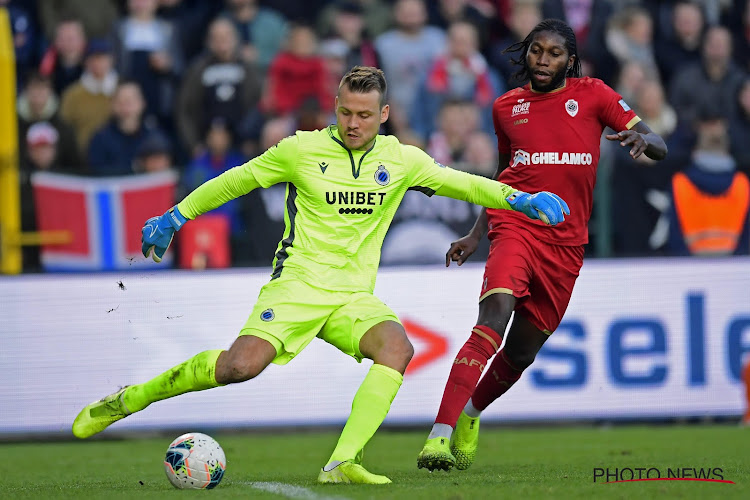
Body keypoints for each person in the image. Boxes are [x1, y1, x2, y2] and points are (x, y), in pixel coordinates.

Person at [71, 66, 570, 484]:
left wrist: (520, 199)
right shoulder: (300, 149)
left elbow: (463, 184)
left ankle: (341, 462)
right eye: (346, 112)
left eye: (365, 115)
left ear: (385, 115)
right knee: (238, 368)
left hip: (352, 296)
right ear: (336, 106)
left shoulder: (401, 160)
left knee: (397, 350)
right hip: (297, 285)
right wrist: (175, 217)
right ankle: (127, 400)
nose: (354, 124)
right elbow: (236, 180)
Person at [416, 19, 668, 472]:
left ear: (570, 60)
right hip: (516, 228)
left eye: (553, 53)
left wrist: (643, 138)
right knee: (491, 320)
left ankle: (471, 415)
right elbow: (502, 179)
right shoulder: (507, 107)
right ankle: (439, 435)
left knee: (521, 352)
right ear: (526, 54)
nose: (543, 60)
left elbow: (660, 145)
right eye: (536, 50)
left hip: (566, 246)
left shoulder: (595, 96)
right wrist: (478, 234)